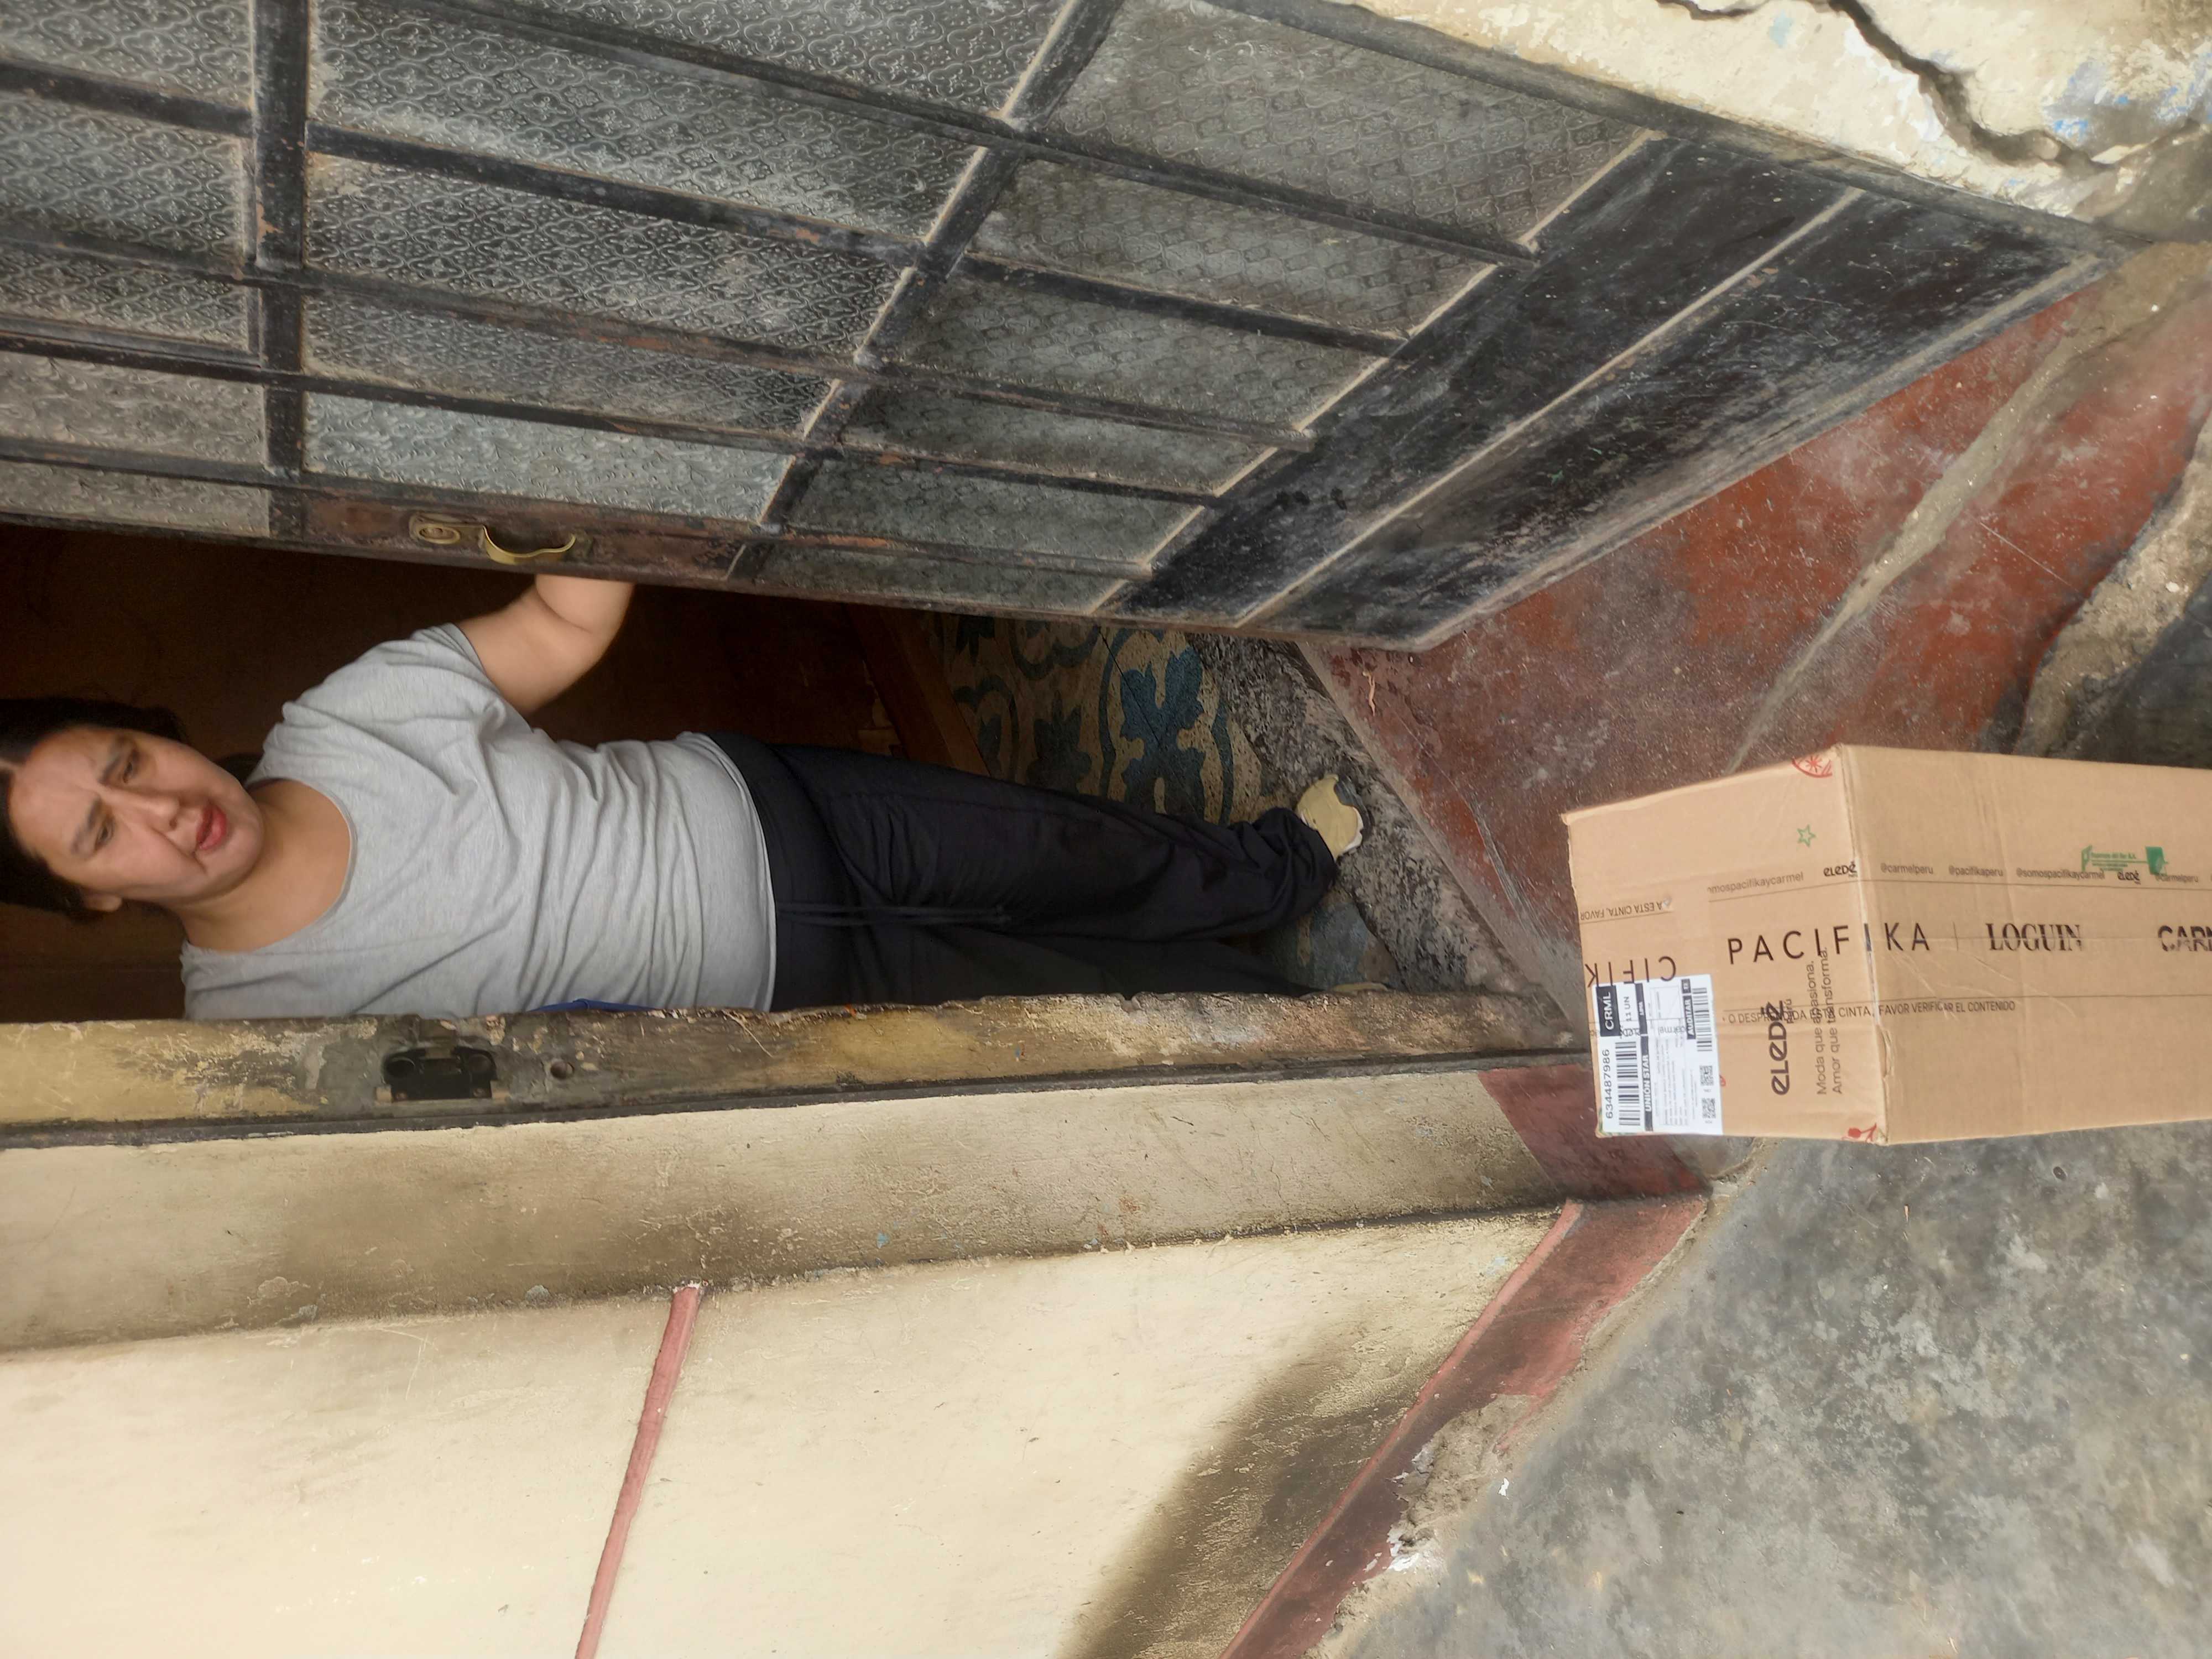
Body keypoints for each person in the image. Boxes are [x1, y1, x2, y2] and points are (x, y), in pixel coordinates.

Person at [0, 573, 1364, 1021]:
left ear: (152, 735)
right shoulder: (252, 1026)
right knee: (1083, 1005)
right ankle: (1307, 1019)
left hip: (780, 807)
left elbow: (559, 620)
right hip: (798, 997)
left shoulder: (342, 724)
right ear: (91, 897)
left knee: (1068, 850)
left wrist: (611, 451)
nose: (163, 810)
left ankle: (1277, 869)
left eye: (128, 766)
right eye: (102, 832)